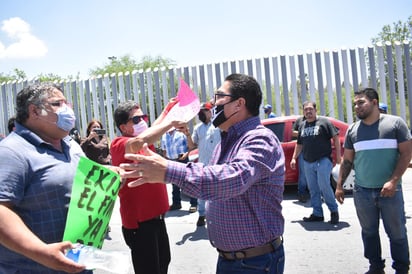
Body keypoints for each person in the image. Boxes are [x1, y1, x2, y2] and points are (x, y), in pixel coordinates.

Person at [121, 73, 286, 274]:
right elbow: (207, 176)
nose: (212, 103)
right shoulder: (226, 141)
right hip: (232, 260)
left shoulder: (259, 139)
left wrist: (168, 170)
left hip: (255, 263)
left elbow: (230, 180)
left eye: (218, 97)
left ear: (238, 104)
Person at [0, 83, 91, 273]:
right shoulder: (11, 152)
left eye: (68, 103)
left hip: (79, 262)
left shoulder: (71, 145)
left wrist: (110, 179)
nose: (67, 110)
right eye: (57, 104)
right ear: (34, 111)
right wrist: (41, 252)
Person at [335, 87, 411, 274]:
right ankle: (375, 267)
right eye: (355, 104)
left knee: (397, 233)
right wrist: (339, 186)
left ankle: (401, 268)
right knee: (368, 233)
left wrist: (393, 181)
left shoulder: (395, 124)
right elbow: (347, 161)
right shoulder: (353, 130)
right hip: (363, 192)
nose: (356, 107)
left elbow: (406, 154)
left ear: (375, 102)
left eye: (361, 102)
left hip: (390, 192)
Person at [110, 100, 185, 274]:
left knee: (163, 263)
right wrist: (171, 122)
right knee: (149, 269)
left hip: (157, 219)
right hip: (140, 224)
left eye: (144, 117)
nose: (143, 121)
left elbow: (152, 130)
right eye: (136, 120)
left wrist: (167, 111)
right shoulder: (120, 144)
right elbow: (141, 139)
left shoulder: (143, 142)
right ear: (123, 127)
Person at [290, 101, 340, 224]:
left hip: (323, 159)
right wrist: (293, 158)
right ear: (303, 112)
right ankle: (317, 213)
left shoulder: (324, 122)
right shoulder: (302, 125)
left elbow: (336, 138)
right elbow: (299, 144)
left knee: (324, 185)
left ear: (315, 110)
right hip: (307, 161)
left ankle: (334, 211)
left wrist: (339, 156)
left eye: (310, 109)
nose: (308, 111)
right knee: (313, 188)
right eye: (306, 109)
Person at [185, 101, 221, 226]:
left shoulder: (218, 126)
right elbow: (192, 145)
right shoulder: (197, 128)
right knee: (201, 191)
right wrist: (187, 135)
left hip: (218, 164)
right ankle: (201, 214)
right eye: (200, 111)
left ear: (211, 112)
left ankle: (217, 215)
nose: (202, 113)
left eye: (204, 110)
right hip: (203, 165)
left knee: (218, 191)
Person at [161, 127, 198, 212]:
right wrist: (165, 159)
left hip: (183, 160)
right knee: (174, 183)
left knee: (188, 181)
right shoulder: (164, 135)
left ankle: (194, 204)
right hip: (171, 161)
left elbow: (190, 146)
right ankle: (176, 203)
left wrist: (186, 154)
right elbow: (164, 149)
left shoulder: (181, 133)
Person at [292, 115, 309, 203]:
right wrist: (303, 133)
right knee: (303, 174)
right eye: (306, 109)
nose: (308, 112)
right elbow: (292, 132)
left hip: (314, 150)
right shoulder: (299, 121)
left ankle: (318, 193)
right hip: (302, 150)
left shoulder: (316, 120)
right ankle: (301, 193)